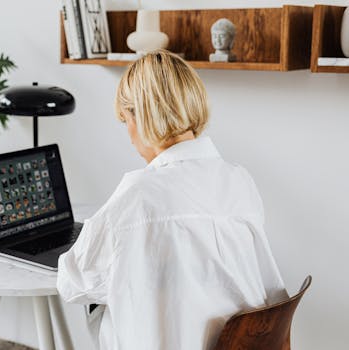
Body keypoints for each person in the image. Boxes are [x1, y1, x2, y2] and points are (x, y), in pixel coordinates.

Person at [56, 50, 287, 350]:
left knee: (105, 307)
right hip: (242, 344)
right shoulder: (238, 179)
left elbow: (73, 282)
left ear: (142, 117)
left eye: (125, 120)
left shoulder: (137, 195)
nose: (129, 135)